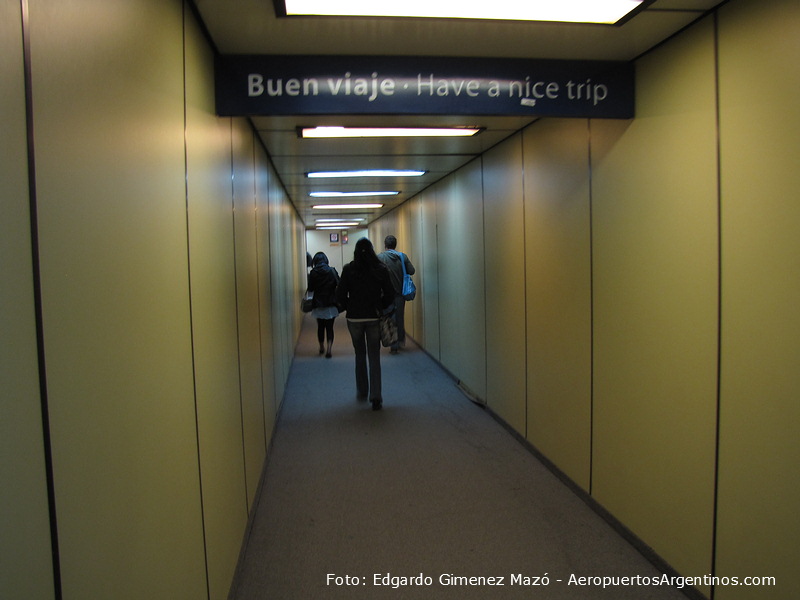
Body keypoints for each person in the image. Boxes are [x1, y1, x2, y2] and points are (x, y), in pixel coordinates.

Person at [335, 238, 395, 410]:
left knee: (359, 354)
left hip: (354, 319)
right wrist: (380, 307)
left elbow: (340, 294)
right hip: (374, 318)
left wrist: (349, 307)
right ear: (372, 250)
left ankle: (362, 390)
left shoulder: (348, 269)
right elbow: (390, 295)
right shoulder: (381, 269)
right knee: (374, 357)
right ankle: (376, 397)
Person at [377, 235, 416, 354]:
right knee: (399, 317)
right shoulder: (402, 256)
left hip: (385, 294)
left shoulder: (380, 257)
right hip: (400, 294)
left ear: (385, 244)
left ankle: (392, 343)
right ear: (395, 244)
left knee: (388, 317)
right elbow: (411, 271)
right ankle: (399, 341)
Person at [307, 252, 340, 358]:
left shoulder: (313, 273)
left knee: (320, 327)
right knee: (330, 327)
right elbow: (338, 283)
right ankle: (329, 349)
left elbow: (311, 288)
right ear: (326, 260)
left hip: (318, 304)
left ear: (315, 261)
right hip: (331, 303)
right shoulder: (332, 271)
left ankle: (321, 347)